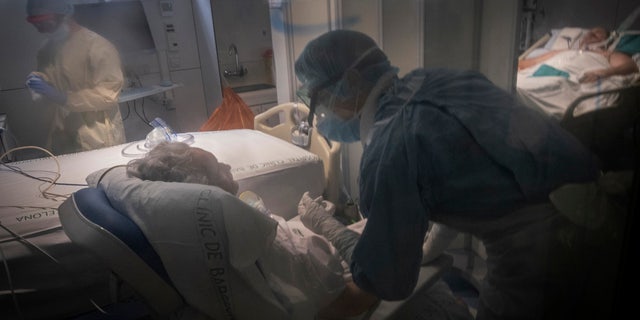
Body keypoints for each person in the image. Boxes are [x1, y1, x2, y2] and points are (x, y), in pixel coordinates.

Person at [294, 30, 602, 319]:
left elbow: (381, 284)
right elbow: (460, 175)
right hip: (595, 207)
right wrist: (427, 249)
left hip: (540, 252)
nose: (319, 111)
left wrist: (325, 229)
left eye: (318, 97)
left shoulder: (390, 150)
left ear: (349, 82)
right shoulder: (432, 81)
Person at [93, 141, 473, 320]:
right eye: (217, 166)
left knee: (391, 219)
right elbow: (342, 303)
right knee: (417, 236)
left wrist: (311, 227)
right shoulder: (235, 236)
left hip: (310, 244)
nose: (227, 164)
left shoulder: (227, 228)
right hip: (347, 275)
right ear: (204, 188)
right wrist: (328, 227)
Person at [25, 0, 125, 155]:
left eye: (44, 22)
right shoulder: (47, 48)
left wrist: (64, 98)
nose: (40, 28)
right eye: (35, 23)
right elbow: (51, 74)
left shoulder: (98, 46)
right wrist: (38, 80)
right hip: (62, 131)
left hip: (95, 134)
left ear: (63, 15)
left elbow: (108, 95)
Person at [517, 27, 639, 83]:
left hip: (569, 78)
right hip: (545, 73)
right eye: (590, 32)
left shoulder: (606, 54)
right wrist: (517, 66)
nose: (589, 34)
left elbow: (631, 66)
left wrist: (604, 73)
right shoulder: (565, 51)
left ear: (606, 42)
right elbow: (532, 63)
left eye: (596, 34)